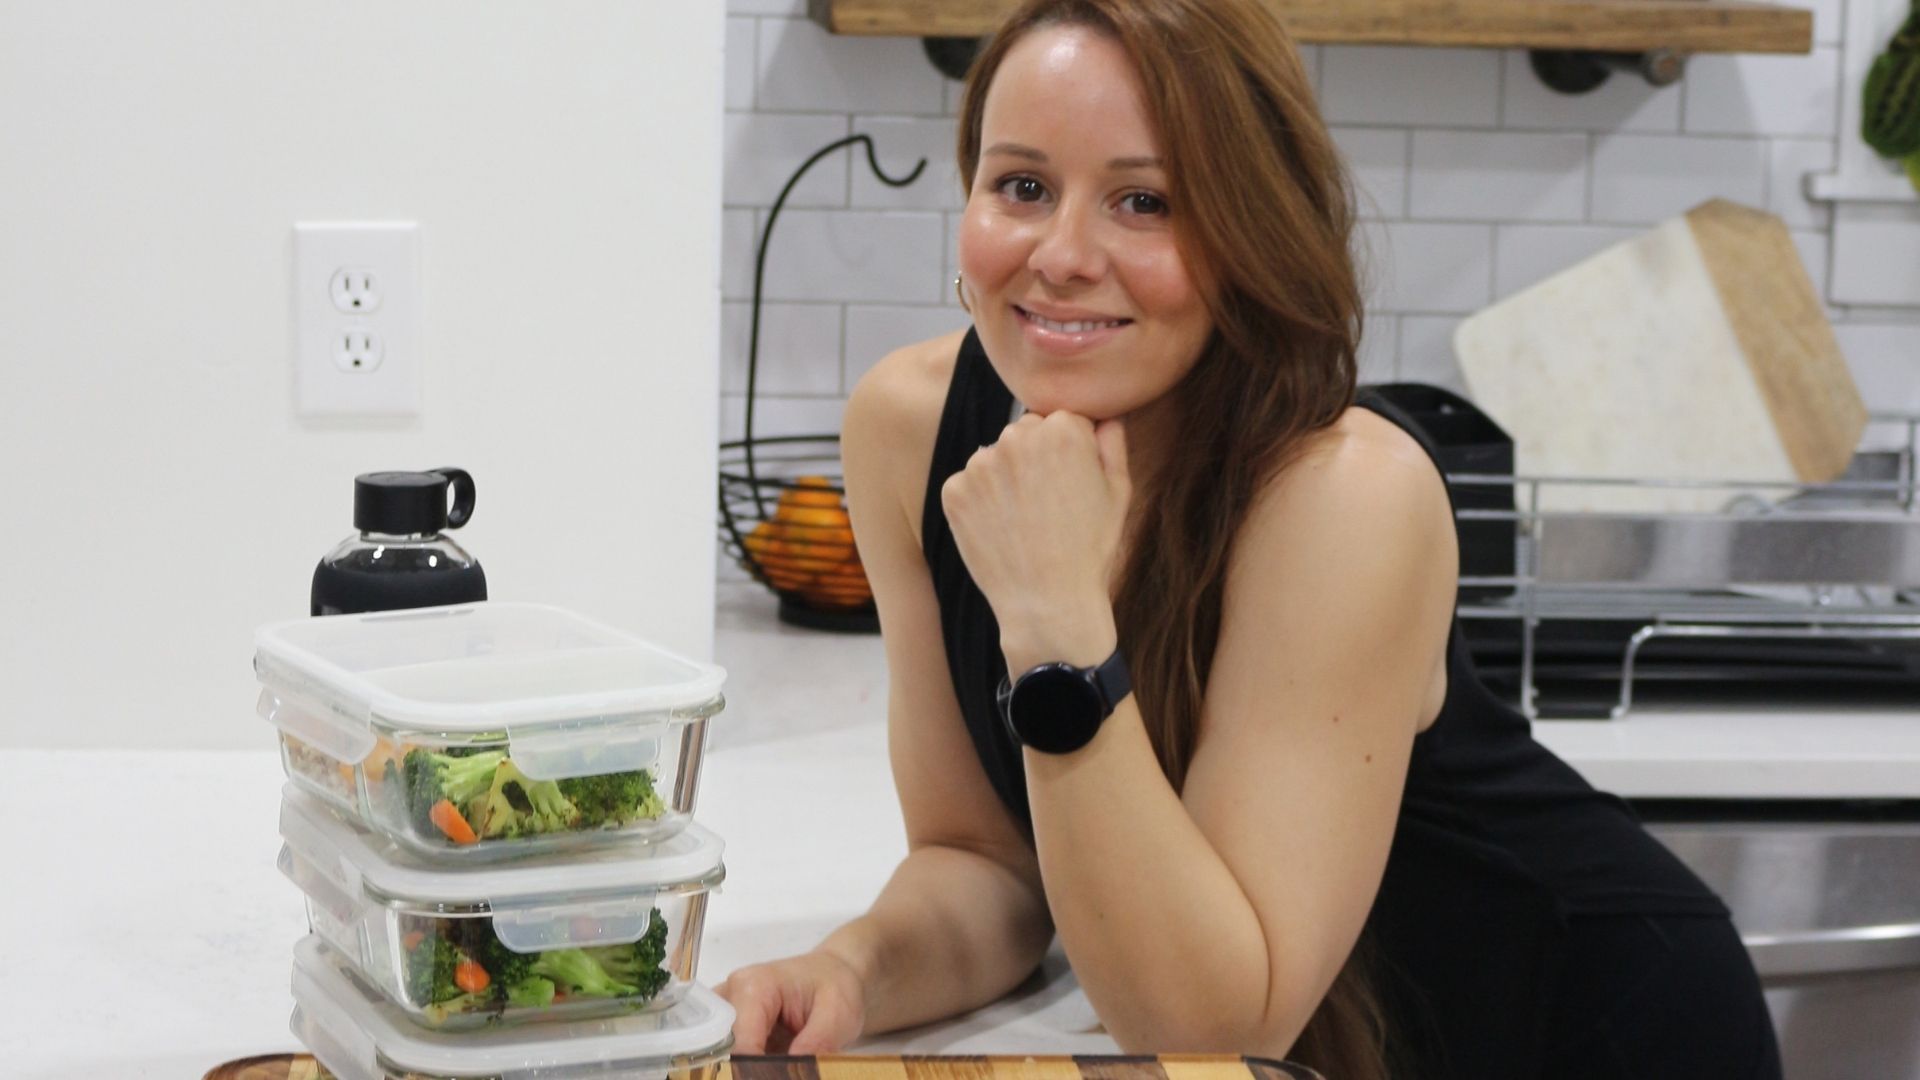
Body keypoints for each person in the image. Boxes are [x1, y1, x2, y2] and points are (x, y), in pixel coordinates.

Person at [717, 1, 1782, 1076]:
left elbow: (1215, 1033)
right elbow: (986, 863)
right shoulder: (910, 428)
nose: (1061, 254)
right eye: (1022, 186)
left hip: (1583, 1032)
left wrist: (1052, 620)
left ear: (1247, 231)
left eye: (1145, 201)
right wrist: (853, 970)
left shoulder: (1344, 495)